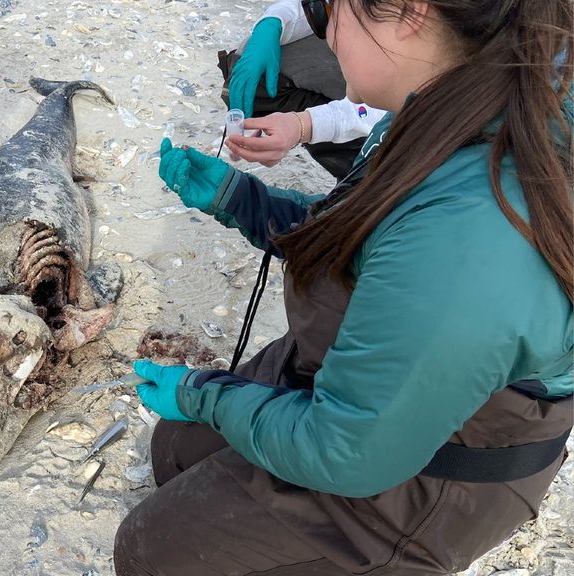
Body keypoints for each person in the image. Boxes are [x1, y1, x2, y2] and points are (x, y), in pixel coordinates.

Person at [116, 0, 572, 574]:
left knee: (153, 549)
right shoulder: (456, 92)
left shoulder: (474, 236)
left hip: (446, 462)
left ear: (407, 12)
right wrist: (245, 202)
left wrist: (203, 392)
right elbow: (371, 233)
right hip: (384, 364)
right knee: (176, 451)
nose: (325, 30)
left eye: (332, 8)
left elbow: (347, 452)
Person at [220, 0, 388, 178]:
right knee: (260, 66)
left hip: (412, 129)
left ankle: (380, 182)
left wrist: (307, 125)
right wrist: (276, 20)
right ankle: (358, 176)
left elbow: (392, 110)